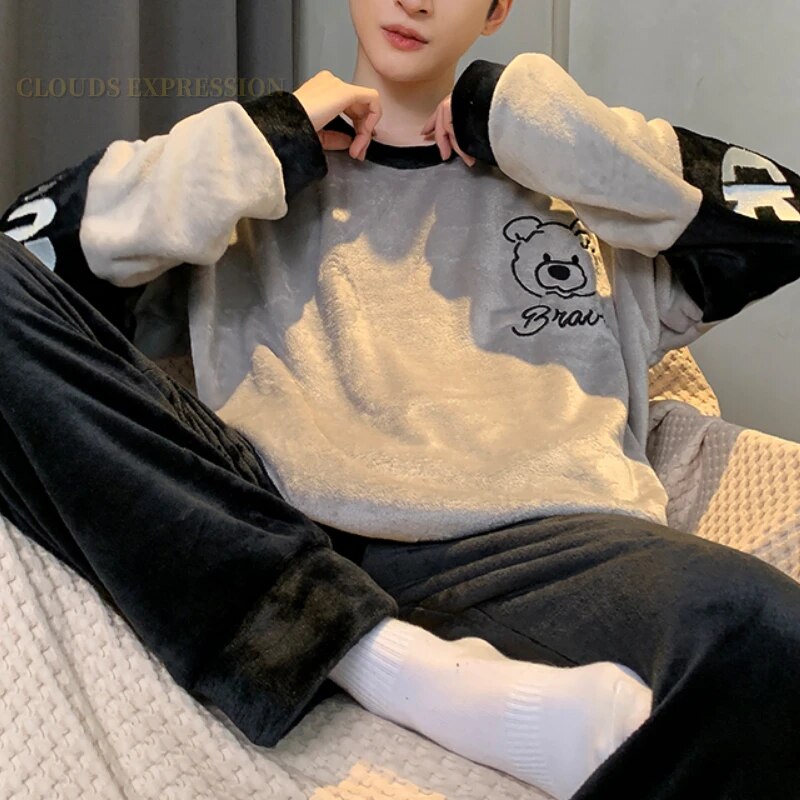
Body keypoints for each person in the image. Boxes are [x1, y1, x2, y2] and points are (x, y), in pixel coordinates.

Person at [1, 0, 799, 797]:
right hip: (282, 533)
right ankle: (375, 656)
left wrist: (532, 124)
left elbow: (783, 222)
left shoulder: (585, 195)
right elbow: (27, 253)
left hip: (543, 550)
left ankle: (357, 651)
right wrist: (265, 137)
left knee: (768, 633)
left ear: (497, 8)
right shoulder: (244, 184)